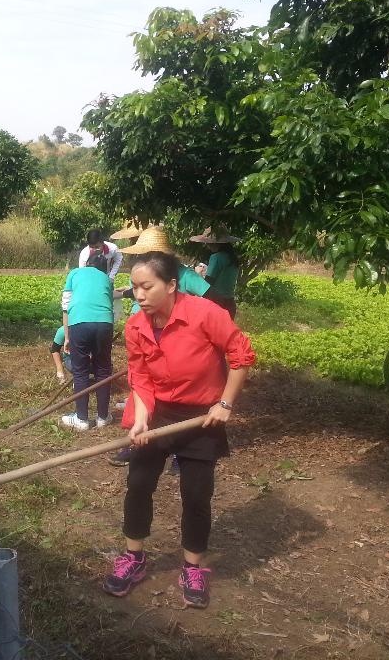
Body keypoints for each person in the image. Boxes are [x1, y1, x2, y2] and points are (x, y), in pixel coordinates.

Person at [103, 251, 255, 608]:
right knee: (138, 485)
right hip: (157, 412)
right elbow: (139, 375)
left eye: (146, 287)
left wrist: (225, 404)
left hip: (202, 417)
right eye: (134, 288)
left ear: (171, 285)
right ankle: (134, 558)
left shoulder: (206, 314)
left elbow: (241, 355)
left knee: (196, 495)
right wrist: (140, 418)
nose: (138, 295)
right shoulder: (136, 326)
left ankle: (192, 567)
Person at [109, 226, 211, 470]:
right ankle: (139, 443)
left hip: (177, 336)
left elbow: (211, 297)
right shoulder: (142, 277)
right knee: (142, 389)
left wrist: (199, 331)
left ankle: (180, 452)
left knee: (175, 399)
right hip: (146, 333)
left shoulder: (184, 276)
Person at [59, 252, 114, 430]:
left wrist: (67, 337)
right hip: (105, 323)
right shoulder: (107, 279)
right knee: (103, 370)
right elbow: (109, 303)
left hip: (79, 323)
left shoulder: (75, 273)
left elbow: (66, 307)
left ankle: (81, 419)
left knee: (81, 372)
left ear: (87, 264)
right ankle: (103, 418)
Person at [189, 228, 241, 319]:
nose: (207, 245)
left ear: (214, 244)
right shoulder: (233, 258)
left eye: (208, 243)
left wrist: (198, 274)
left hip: (217, 302)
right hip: (230, 302)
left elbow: (207, 284)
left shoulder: (216, 257)